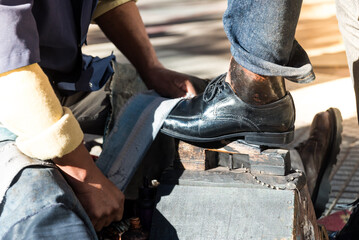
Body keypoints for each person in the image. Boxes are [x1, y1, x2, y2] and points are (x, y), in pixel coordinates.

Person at [0, 0, 206, 238]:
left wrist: (151, 69)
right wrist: (86, 177)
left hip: (51, 81)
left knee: (185, 101)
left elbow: (108, 2)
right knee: (47, 209)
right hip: (11, 92)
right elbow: (11, 76)